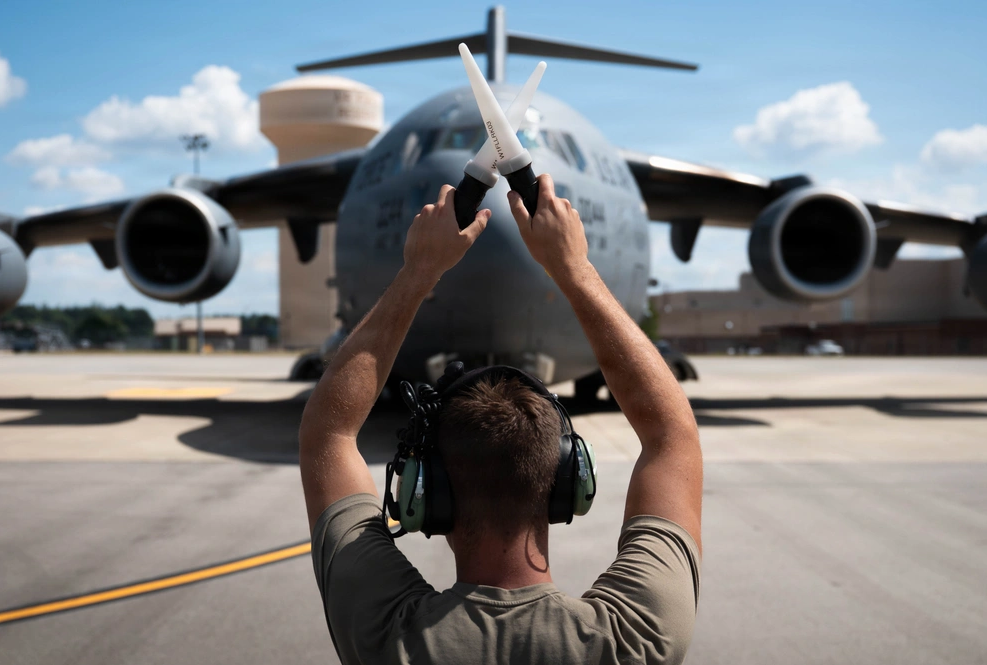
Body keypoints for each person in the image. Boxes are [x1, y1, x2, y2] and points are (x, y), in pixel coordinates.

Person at [299, 175, 703, 665]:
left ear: (426, 495)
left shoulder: (385, 636)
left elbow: (328, 435)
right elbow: (671, 436)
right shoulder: (635, 642)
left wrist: (419, 271)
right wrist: (573, 267)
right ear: (566, 482)